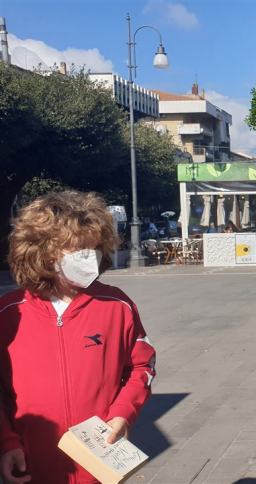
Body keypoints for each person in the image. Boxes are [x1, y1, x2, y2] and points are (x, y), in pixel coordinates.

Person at [0, 191, 156, 484]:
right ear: (42, 250)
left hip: (99, 464)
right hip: (31, 464)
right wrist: (6, 442)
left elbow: (142, 367)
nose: (89, 257)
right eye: (77, 249)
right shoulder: (8, 313)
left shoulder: (117, 306)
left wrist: (123, 413)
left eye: (94, 248)